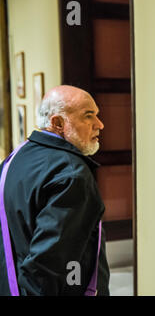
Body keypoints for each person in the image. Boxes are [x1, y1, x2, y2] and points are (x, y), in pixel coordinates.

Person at [0, 85, 110, 295]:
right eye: (88, 116)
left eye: (97, 115)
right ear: (58, 123)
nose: (100, 124)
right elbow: (50, 263)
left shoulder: (16, 158)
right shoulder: (71, 174)